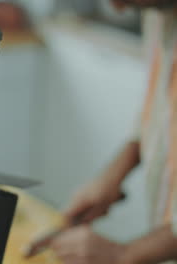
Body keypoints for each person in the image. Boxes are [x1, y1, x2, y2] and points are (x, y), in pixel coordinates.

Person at [47, 0, 177, 263]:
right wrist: (113, 175)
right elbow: (161, 106)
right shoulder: (160, 10)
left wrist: (122, 254)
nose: (117, 8)